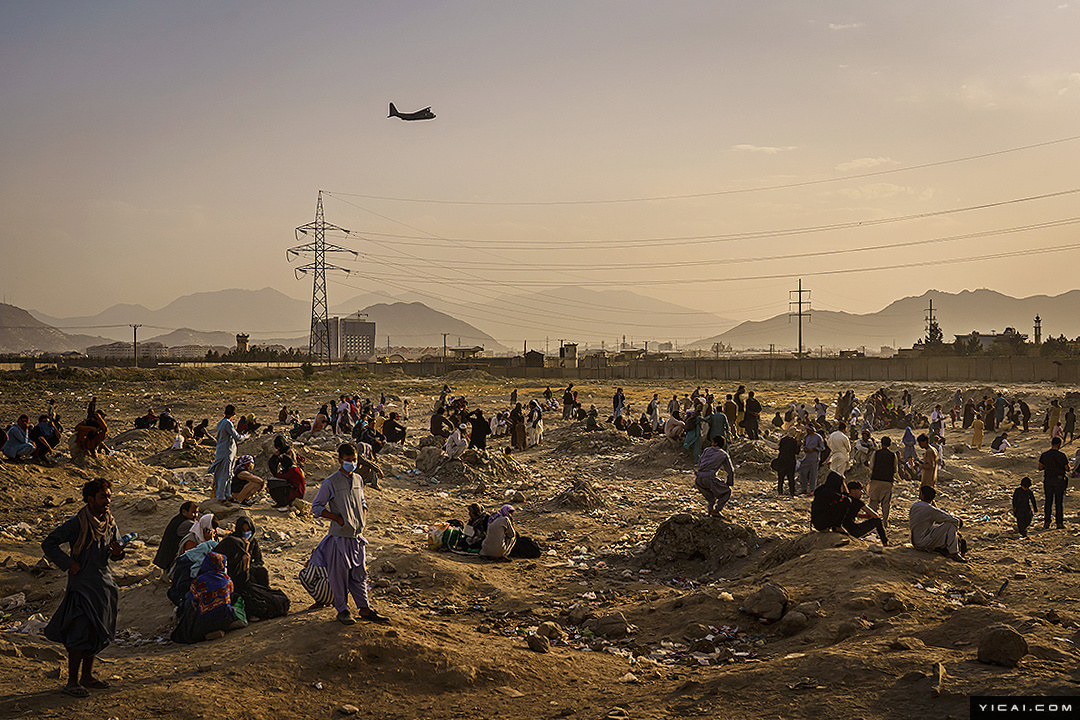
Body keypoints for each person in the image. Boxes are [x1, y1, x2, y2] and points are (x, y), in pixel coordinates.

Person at [41, 478, 129, 697]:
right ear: (90, 499)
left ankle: (87, 677)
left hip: (103, 584)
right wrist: (69, 564)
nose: (107, 501)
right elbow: (49, 543)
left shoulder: (110, 522)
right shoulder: (77, 523)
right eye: (102, 497)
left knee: (97, 630)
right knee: (79, 631)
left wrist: (118, 552)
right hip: (82, 585)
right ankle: (72, 681)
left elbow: (114, 553)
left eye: (109, 496)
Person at [309, 442, 389, 625]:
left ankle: (364, 608)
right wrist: (337, 519)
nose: (352, 463)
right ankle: (342, 610)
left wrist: (363, 516)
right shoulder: (330, 482)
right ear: (340, 460)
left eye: (354, 460)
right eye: (348, 460)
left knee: (359, 574)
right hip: (339, 538)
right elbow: (317, 507)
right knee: (339, 576)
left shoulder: (358, 479)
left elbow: (362, 501)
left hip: (357, 537)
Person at [171, 552, 247, 644]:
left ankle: (207, 632)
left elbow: (194, 602)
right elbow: (230, 595)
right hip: (225, 619)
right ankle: (230, 624)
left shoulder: (199, 581)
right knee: (237, 599)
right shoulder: (227, 580)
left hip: (205, 622)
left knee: (190, 607)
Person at [909, 485, 965, 562]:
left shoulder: (915, 505)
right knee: (950, 525)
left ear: (922, 495)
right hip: (922, 542)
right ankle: (953, 553)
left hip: (915, 540)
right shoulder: (930, 509)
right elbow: (954, 520)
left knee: (940, 527)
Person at [208, 405, 247, 501]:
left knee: (227, 474)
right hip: (227, 452)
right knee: (225, 475)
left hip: (222, 451)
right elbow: (237, 437)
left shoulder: (220, 423)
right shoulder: (228, 423)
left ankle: (228, 494)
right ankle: (221, 496)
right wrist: (246, 436)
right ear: (234, 413)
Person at [153, 501, 199, 571]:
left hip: (165, 559)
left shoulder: (177, 519)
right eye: (193, 512)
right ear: (184, 512)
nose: (196, 515)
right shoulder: (187, 524)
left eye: (197, 512)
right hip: (172, 559)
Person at [695, 436, 735, 517]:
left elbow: (699, 463)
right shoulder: (723, 454)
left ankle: (710, 510)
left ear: (715, 443)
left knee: (711, 497)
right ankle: (716, 510)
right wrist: (729, 482)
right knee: (727, 492)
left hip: (698, 479)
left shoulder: (706, 450)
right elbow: (730, 470)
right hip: (709, 478)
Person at [1038, 436, 1069, 530]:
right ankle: (1059, 523)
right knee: (1059, 502)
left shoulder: (1045, 455)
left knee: (1048, 502)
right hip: (1059, 480)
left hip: (1048, 480)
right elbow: (1067, 468)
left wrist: (1047, 466)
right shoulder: (1062, 455)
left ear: (1051, 443)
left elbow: (1040, 467)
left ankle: (1047, 522)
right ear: (1059, 444)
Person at [867, 436, 898, 527]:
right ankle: (885, 521)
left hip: (876, 479)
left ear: (881, 443)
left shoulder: (876, 453)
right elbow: (895, 469)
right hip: (887, 481)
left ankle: (872, 522)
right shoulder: (893, 455)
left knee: (873, 501)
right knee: (886, 503)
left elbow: (871, 466)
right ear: (889, 444)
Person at [797, 424, 825, 494]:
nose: (807, 431)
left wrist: (814, 449)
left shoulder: (818, 437)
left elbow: (822, 448)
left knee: (813, 475)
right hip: (806, 458)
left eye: (808, 430)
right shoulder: (806, 437)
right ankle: (804, 489)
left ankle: (813, 489)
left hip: (814, 459)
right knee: (803, 473)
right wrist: (805, 449)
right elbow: (804, 445)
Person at [774, 431, 799, 496]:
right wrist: (799, 445)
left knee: (781, 478)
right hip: (790, 462)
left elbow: (779, 448)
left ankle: (780, 492)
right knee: (791, 478)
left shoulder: (783, 440)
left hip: (782, 460)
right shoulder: (794, 441)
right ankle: (792, 492)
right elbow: (797, 452)